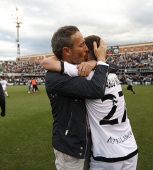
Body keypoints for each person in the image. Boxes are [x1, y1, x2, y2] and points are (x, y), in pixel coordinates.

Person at [42, 35, 138, 170]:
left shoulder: (85, 74)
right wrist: (99, 61)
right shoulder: (112, 74)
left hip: (107, 155)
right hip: (130, 148)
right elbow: (112, 66)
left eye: (83, 47)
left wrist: (93, 63)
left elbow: (46, 62)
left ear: (87, 53)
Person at [43, 26, 109, 170]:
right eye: (81, 45)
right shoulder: (54, 78)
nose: (86, 49)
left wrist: (93, 63)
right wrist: (100, 61)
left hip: (90, 145)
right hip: (71, 150)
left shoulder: (80, 65)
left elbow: (113, 67)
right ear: (66, 51)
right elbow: (96, 89)